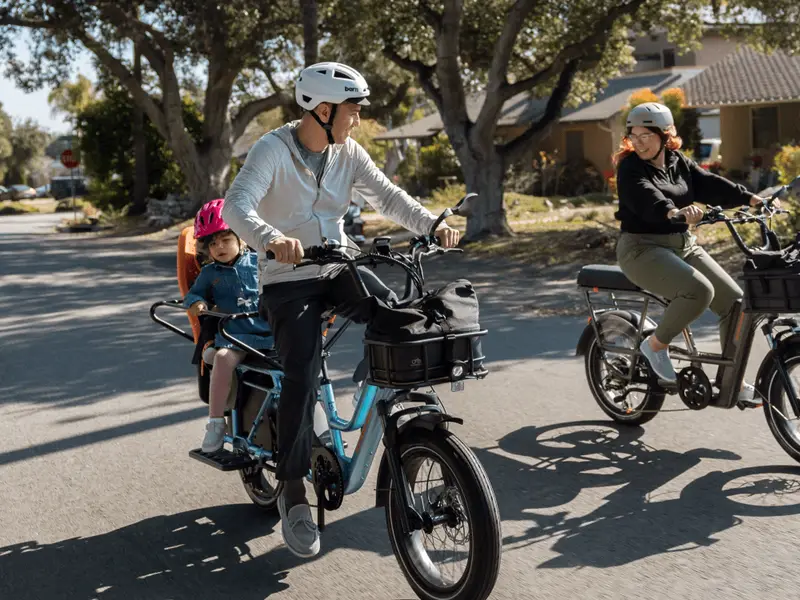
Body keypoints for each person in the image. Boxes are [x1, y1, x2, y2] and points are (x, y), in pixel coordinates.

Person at [222, 61, 459, 559]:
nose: (358, 118)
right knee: (302, 371)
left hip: (335, 267)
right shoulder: (273, 149)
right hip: (288, 279)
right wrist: (271, 240)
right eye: (353, 109)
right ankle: (291, 490)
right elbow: (235, 207)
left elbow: (389, 197)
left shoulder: (347, 151)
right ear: (323, 109)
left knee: (397, 315)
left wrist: (432, 223)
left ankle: (390, 404)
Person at [613, 102, 779, 402]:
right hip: (641, 248)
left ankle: (731, 381)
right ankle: (654, 346)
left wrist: (753, 199)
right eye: (633, 135)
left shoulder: (678, 162)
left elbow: (710, 184)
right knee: (698, 291)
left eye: (645, 135)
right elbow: (645, 197)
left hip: (682, 245)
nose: (638, 142)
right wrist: (672, 211)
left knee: (735, 302)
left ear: (665, 135)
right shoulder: (629, 167)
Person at [183, 199, 274, 453]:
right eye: (212, 243)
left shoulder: (260, 261)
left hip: (270, 333)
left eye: (225, 239)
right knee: (222, 359)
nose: (219, 247)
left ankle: (320, 428)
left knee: (307, 362)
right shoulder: (210, 273)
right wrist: (197, 302)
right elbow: (192, 295)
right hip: (235, 337)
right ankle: (215, 423)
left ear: (241, 238)